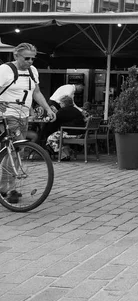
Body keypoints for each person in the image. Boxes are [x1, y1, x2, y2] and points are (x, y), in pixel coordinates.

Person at [0, 43, 56, 204]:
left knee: (18, 151)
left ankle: (6, 187)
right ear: (16, 56)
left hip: (23, 115)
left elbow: (36, 92)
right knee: (15, 149)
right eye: (27, 58)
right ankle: (7, 189)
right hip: (7, 114)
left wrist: (47, 109)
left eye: (33, 58)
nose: (30, 61)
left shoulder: (33, 71)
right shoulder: (5, 70)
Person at [45, 96, 86, 161]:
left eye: (60, 103)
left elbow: (55, 120)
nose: (60, 105)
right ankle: (66, 153)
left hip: (71, 133)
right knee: (58, 136)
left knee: (51, 138)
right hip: (80, 133)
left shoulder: (63, 110)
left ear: (64, 103)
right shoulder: (76, 110)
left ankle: (63, 155)